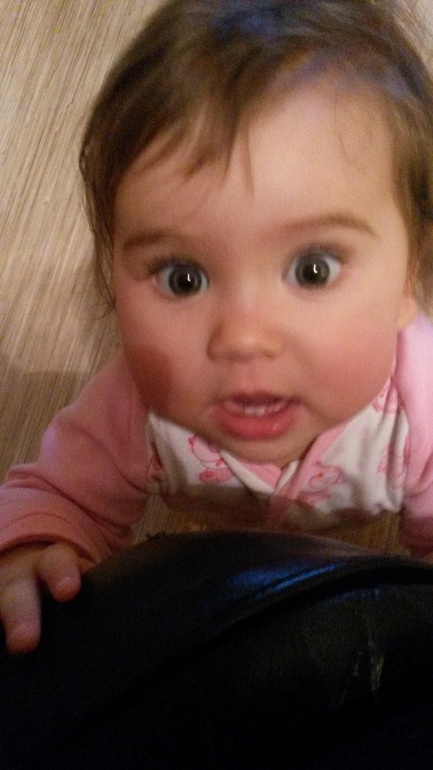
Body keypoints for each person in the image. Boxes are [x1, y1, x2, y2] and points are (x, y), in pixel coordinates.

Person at [1, 0, 433, 655]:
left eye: (312, 270)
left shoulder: (419, 409)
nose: (243, 338)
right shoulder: (137, 407)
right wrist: (38, 547)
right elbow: (54, 494)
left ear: (407, 278)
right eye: (182, 278)